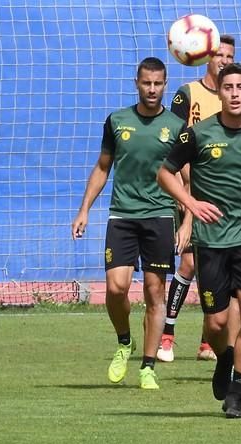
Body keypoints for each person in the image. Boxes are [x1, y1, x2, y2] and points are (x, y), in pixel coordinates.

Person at [157, 63, 241, 418]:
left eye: (240, 87)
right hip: (211, 242)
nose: (234, 93)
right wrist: (190, 203)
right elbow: (164, 173)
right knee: (217, 324)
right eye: (228, 87)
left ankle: (237, 394)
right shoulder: (197, 134)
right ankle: (225, 358)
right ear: (219, 92)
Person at [72, 57, 186, 390]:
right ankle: (125, 342)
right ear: (136, 83)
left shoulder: (176, 127)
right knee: (116, 288)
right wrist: (84, 210)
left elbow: (187, 179)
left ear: (165, 84)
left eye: (158, 83)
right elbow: (103, 167)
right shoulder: (117, 121)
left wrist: (187, 222)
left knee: (155, 292)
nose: (152, 89)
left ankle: (147, 367)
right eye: (146, 83)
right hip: (122, 215)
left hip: (161, 216)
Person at [158, 35, 236, 363]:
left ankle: (208, 342)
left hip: (225, 196)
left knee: (215, 267)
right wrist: (183, 191)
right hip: (191, 193)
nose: (225, 60)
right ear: (205, 56)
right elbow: (174, 146)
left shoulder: (235, 97)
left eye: (230, 55)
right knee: (189, 262)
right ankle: (166, 335)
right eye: (219, 54)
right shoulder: (188, 94)